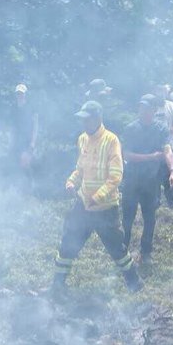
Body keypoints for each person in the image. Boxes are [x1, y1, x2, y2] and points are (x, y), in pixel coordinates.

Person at [53, 100, 140, 294]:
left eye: (87, 119)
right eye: (82, 119)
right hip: (83, 205)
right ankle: (57, 285)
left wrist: (98, 197)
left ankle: (134, 283)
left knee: (117, 249)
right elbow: (80, 169)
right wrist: (71, 181)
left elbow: (116, 176)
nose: (83, 123)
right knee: (68, 242)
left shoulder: (111, 140)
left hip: (105, 209)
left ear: (98, 118)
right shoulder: (82, 139)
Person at [120, 94, 173, 268]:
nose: (143, 111)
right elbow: (126, 155)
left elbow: (167, 150)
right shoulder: (131, 128)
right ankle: (122, 252)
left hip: (151, 181)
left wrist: (172, 171)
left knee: (150, 218)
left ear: (154, 110)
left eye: (147, 108)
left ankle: (146, 252)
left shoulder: (161, 129)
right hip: (131, 180)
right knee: (127, 219)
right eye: (141, 108)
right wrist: (150, 157)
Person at [9, 83, 39, 193]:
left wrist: (32, 143)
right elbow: (12, 126)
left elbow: (35, 126)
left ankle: (31, 187)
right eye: (18, 94)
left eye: (21, 94)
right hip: (17, 141)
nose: (19, 96)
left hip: (27, 141)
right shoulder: (13, 108)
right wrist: (11, 141)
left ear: (25, 95)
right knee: (16, 163)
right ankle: (19, 187)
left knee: (26, 163)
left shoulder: (31, 109)